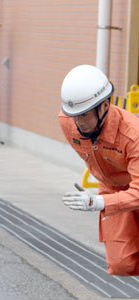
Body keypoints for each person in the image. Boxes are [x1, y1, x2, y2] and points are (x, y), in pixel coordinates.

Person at [59, 64, 139, 276]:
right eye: (73, 114)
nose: (78, 122)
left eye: (84, 115)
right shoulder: (67, 122)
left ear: (104, 106)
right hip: (113, 189)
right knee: (121, 263)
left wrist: (98, 202)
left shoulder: (133, 135)